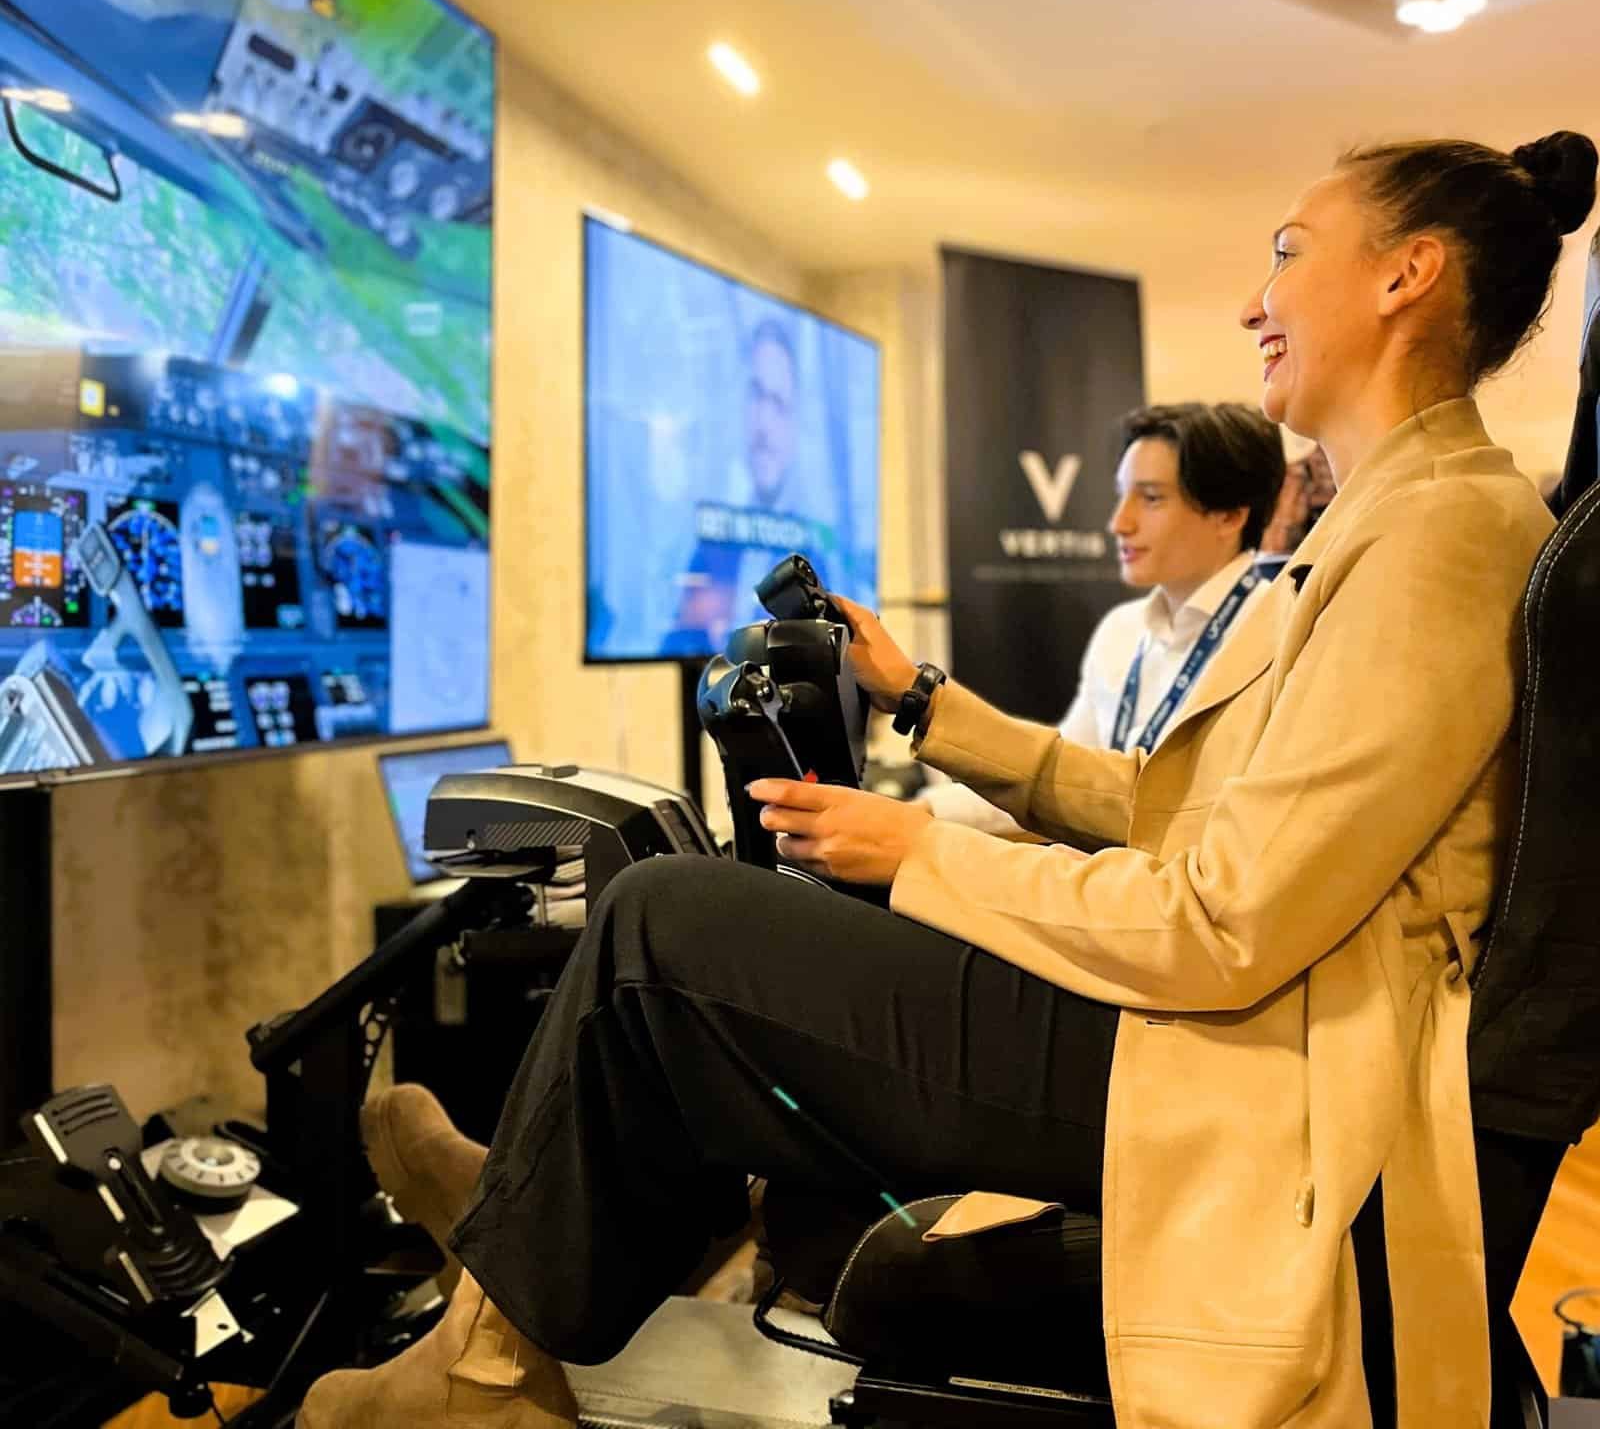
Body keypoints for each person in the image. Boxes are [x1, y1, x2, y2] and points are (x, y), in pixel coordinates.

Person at [298, 130, 1593, 1429]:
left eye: (1288, 254)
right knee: (740, 919)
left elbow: (1227, 918)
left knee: (661, 926)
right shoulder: (1394, 519)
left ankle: (486, 1370)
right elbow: (1187, 815)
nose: (1257, 301)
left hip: (1264, 1069)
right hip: (1247, 1026)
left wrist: (919, 852)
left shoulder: (1438, 535)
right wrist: (923, 704)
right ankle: (518, 1242)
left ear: (1405, 275)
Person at [920, 401, 1285, 833]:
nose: (1119, 523)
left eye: (1151, 499)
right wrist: (923, 812)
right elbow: (1057, 787)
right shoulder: (1122, 631)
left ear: (1230, 515)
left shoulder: (1278, 631)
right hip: (1108, 869)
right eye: (1122, 494)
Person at [661, 318, 806, 655]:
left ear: (795, 426)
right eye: (756, 395)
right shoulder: (710, 548)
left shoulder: (814, 564)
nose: (763, 424)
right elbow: (676, 637)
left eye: (778, 403)